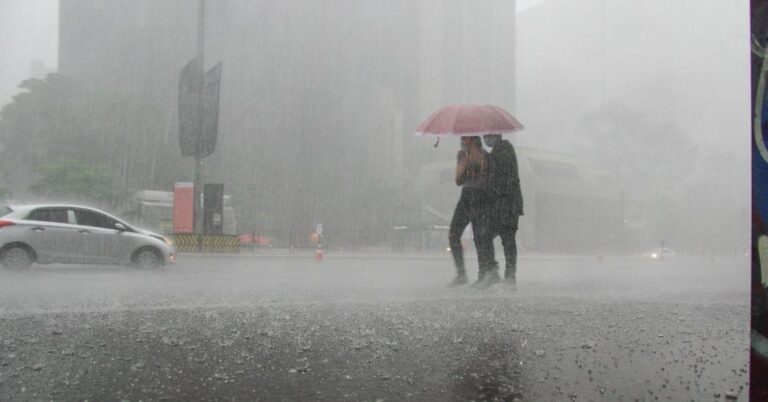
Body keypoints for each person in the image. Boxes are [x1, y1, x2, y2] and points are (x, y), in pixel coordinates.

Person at [447, 136, 498, 287]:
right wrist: (465, 163)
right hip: (466, 196)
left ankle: (485, 274)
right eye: (462, 140)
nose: (462, 142)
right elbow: (458, 180)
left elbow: (488, 178)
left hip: (479, 197)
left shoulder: (484, 155)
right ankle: (461, 273)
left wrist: (477, 165)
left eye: (465, 140)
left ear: (473, 141)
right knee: (453, 234)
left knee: (479, 237)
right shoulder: (462, 155)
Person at [483, 134, 524, 286]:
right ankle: (505, 274)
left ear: (494, 136)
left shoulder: (504, 150)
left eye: (486, 136)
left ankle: (507, 275)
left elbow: (500, 178)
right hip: (504, 204)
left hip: (507, 204)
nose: (484, 139)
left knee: (504, 239)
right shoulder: (499, 151)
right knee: (498, 238)